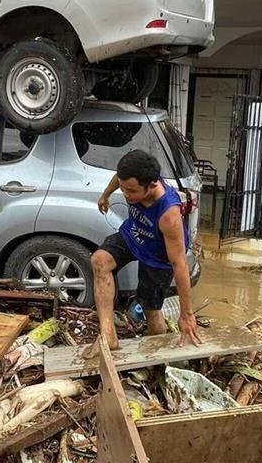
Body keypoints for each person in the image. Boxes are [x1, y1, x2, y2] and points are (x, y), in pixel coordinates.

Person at [87, 149, 203, 353]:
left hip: (159, 258)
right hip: (134, 235)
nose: (126, 194)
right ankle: (108, 334)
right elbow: (119, 178)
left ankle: (158, 353)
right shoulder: (132, 179)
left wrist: (187, 314)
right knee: (100, 260)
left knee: (151, 311)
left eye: (131, 191)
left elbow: (180, 264)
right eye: (124, 189)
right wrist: (105, 195)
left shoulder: (168, 214)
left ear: (151, 185)